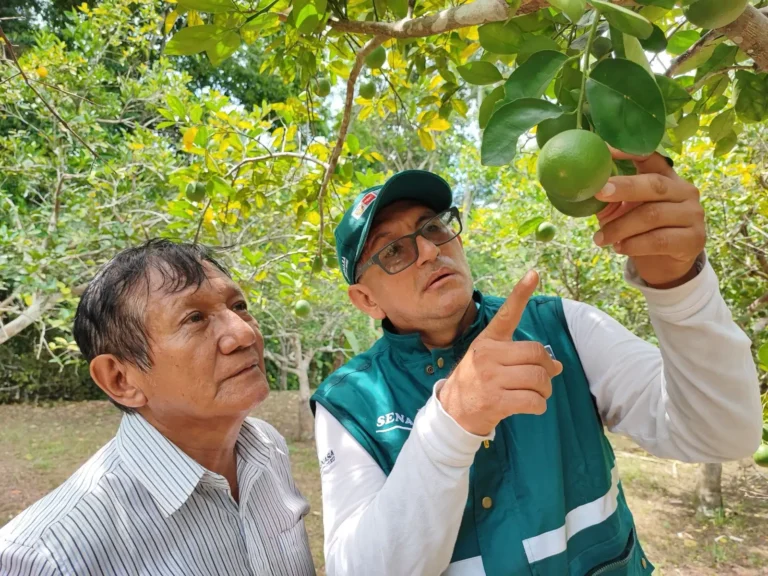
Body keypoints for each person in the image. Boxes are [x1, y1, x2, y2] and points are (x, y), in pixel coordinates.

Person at [311, 157, 763, 575]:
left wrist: (680, 288)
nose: (429, 251)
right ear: (366, 300)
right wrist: (451, 423)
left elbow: (723, 433)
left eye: (432, 227)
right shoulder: (350, 404)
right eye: (393, 251)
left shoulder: (561, 326)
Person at [0, 239, 315, 576]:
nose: (244, 333)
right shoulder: (46, 559)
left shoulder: (267, 448)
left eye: (238, 306)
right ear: (120, 380)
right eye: (195, 318)